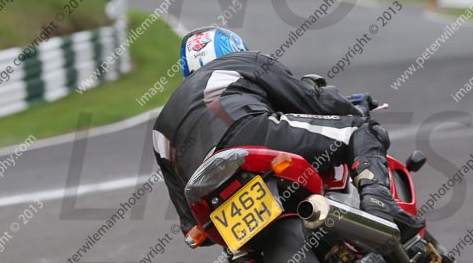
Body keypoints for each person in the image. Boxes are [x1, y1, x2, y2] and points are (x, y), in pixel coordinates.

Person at [153, 27, 423, 246]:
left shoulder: (160, 126)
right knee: (362, 131)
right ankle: (379, 202)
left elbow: (190, 224)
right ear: (234, 47)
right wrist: (352, 108)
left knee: (234, 256)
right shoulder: (246, 61)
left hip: (206, 187)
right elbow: (310, 101)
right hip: (251, 135)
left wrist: (200, 230)